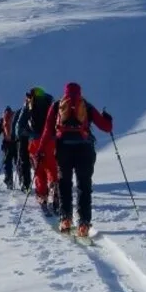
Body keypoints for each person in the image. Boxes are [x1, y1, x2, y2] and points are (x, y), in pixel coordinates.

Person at [35, 82, 113, 238]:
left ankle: (66, 219)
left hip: (63, 149)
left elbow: (47, 130)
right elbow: (106, 127)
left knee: (64, 184)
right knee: (84, 186)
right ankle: (84, 224)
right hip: (85, 150)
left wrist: (40, 150)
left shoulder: (57, 105)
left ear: (65, 93)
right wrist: (108, 118)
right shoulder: (86, 106)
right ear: (80, 92)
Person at [24, 86, 58, 214]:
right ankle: (54, 191)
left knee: (39, 172)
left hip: (35, 142)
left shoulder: (29, 105)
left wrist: (27, 133)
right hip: (51, 142)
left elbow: (19, 127)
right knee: (51, 167)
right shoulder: (51, 105)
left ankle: (42, 197)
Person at [13, 100, 33, 192]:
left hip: (23, 139)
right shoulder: (43, 108)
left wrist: (15, 138)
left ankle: (26, 184)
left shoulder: (20, 112)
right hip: (37, 138)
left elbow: (15, 126)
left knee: (24, 162)